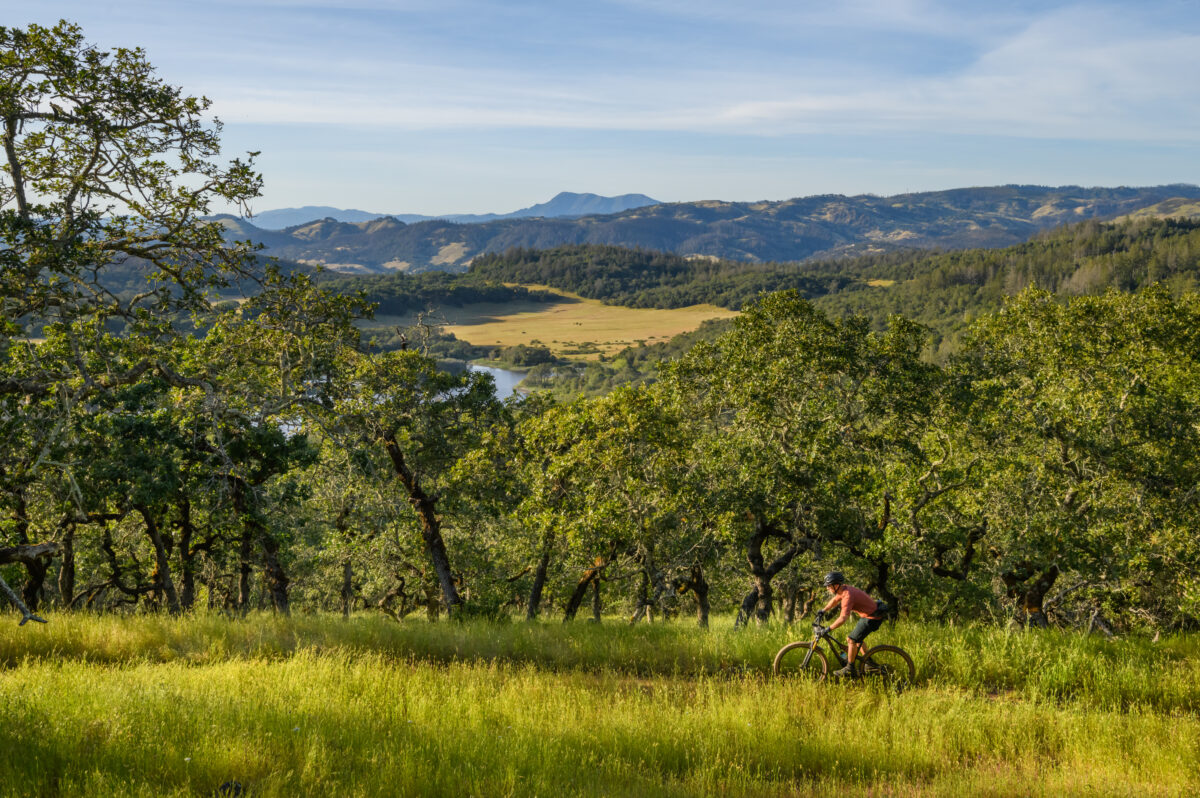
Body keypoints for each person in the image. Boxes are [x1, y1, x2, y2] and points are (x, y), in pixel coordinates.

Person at [814, 571, 887, 678]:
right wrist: (823, 610)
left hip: (872, 618)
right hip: (869, 615)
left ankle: (850, 668)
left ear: (836, 585)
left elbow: (843, 618)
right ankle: (869, 663)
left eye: (829, 586)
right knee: (857, 639)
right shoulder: (843, 589)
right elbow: (835, 600)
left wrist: (828, 629)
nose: (827, 588)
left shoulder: (847, 596)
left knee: (851, 640)